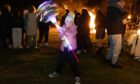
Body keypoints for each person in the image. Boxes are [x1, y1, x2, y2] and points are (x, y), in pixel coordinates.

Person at [49, 13, 80, 84]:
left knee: (73, 63)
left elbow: (72, 33)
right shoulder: (63, 27)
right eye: (66, 21)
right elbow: (60, 36)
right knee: (60, 61)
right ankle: (57, 72)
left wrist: (63, 31)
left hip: (71, 49)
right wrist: (61, 37)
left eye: (69, 21)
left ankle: (77, 76)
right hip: (63, 48)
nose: (68, 23)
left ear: (72, 22)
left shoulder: (74, 27)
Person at [105, 0, 126, 68]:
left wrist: (122, 21)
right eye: (122, 4)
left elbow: (116, 20)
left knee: (111, 47)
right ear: (118, 3)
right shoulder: (115, 9)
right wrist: (124, 14)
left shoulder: (110, 9)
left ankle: (107, 59)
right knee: (117, 48)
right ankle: (114, 62)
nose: (123, 6)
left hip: (112, 31)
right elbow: (118, 19)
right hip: (115, 32)